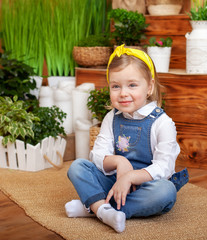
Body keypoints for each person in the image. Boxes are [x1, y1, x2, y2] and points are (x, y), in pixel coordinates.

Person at [65, 44, 188, 233]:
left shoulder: (162, 123)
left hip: (145, 186)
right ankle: (103, 208)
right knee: (78, 167)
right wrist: (119, 162)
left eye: (132, 85)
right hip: (115, 182)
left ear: (149, 87)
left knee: (166, 192)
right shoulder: (111, 118)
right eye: (115, 86)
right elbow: (97, 156)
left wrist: (131, 177)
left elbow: (164, 168)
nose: (123, 93)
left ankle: (96, 207)